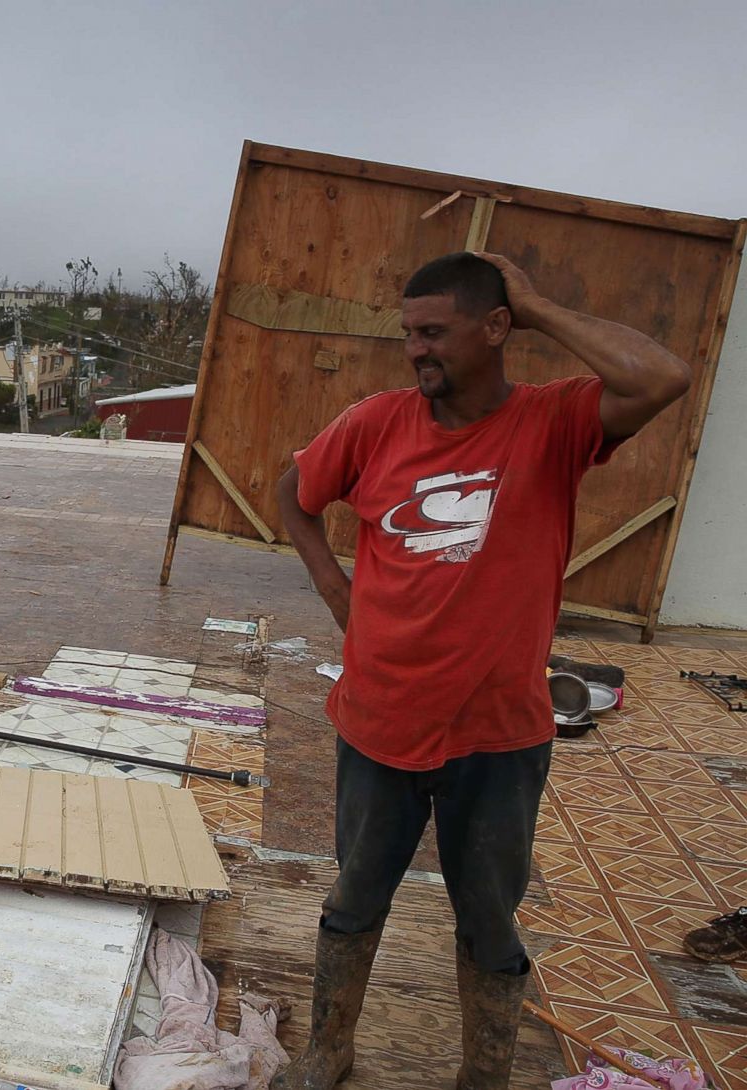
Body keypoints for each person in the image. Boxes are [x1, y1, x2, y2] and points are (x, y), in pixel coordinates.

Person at [272, 251, 692, 1089]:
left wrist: (535, 303)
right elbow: (295, 492)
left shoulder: (554, 423)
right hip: (379, 723)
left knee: (489, 923)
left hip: (498, 739)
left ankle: (482, 1076)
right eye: (408, 335)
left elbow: (663, 375)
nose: (415, 350)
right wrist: (332, 584)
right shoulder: (376, 422)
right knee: (353, 901)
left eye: (434, 332)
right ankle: (328, 1053)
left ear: (495, 328)